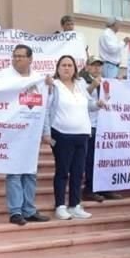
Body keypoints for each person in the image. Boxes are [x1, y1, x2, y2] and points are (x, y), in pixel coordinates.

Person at [0, 46, 53, 222]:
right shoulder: (3, 76)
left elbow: (44, 108)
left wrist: (46, 131)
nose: (16, 59)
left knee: (30, 171)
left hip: (32, 132)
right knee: (14, 171)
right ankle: (16, 211)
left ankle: (29, 209)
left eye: (21, 56)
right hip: (11, 132)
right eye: (14, 56)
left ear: (31, 59)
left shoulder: (39, 79)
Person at [45, 55, 97, 220]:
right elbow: (46, 110)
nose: (66, 68)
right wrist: (46, 132)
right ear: (58, 68)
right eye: (63, 65)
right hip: (61, 134)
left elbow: (88, 105)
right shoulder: (54, 86)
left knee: (78, 172)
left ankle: (75, 205)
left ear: (75, 68)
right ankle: (60, 205)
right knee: (62, 171)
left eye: (69, 65)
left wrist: (99, 104)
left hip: (82, 134)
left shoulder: (81, 85)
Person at [79, 57, 108, 203]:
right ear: (87, 67)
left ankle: (103, 187)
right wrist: (92, 86)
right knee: (90, 159)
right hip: (89, 124)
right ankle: (89, 189)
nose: (97, 68)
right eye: (93, 66)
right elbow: (81, 99)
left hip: (104, 124)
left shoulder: (105, 81)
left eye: (99, 66)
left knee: (102, 159)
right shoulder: (82, 80)